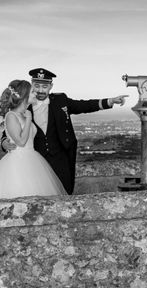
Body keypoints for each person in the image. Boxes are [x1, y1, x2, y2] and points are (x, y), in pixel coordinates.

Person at [0, 68, 128, 194]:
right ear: (31, 85)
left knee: (63, 194)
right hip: (34, 161)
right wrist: (4, 142)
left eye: (44, 87)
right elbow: (12, 128)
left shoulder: (61, 100)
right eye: (36, 86)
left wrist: (110, 101)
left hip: (61, 158)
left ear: (51, 86)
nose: (40, 90)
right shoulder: (23, 108)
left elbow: (83, 105)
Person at [0, 80, 66, 198]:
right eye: (32, 92)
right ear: (24, 96)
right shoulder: (11, 115)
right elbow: (21, 142)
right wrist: (29, 119)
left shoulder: (23, 114)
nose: (35, 93)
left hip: (32, 159)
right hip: (18, 164)